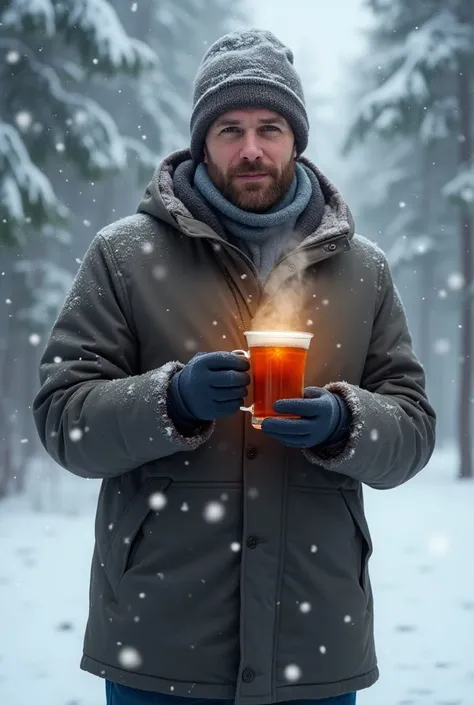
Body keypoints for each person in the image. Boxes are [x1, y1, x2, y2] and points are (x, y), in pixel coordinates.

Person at [33, 28, 436, 705]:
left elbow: (415, 427)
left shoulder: (362, 269)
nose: (252, 148)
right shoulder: (125, 255)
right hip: (160, 643)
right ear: (202, 141)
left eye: (269, 127)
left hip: (313, 649)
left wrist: (346, 421)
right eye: (230, 129)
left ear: (295, 138)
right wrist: (173, 400)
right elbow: (61, 416)